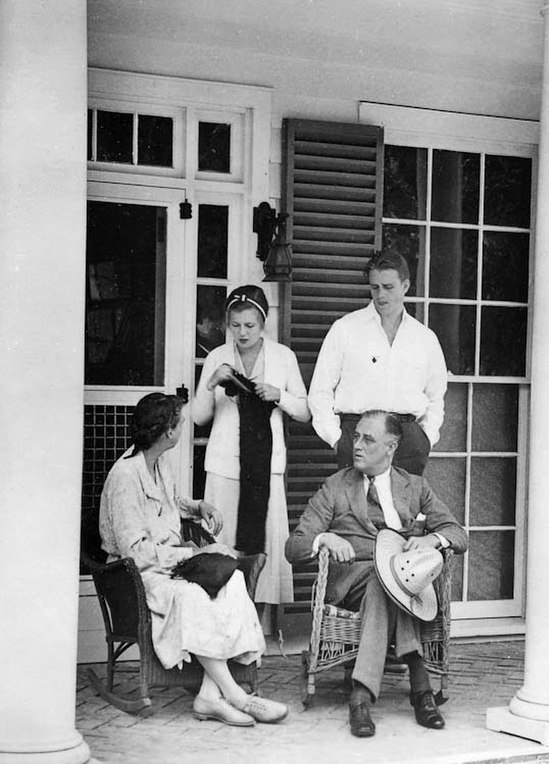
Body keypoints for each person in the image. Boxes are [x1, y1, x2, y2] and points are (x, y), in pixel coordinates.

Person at [99, 392, 288, 727]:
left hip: (172, 565)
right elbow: (136, 553)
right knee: (194, 594)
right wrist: (195, 553)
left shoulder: (159, 462)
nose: (183, 426)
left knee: (232, 582)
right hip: (140, 577)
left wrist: (198, 507)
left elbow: (170, 502)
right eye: (179, 422)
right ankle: (237, 696)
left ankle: (208, 696)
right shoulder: (125, 477)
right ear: (167, 431)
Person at [285, 410, 467, 738]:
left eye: (368, 439)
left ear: (391, 447)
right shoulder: (335, 487)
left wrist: (430, 538)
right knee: (381, 582)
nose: (357, 445)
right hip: (352, 580)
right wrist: (324, 538)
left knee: (386, 584)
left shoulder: (415, 487)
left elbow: (459, 534)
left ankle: (361, 696)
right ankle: (421, 687)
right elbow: (294, 546)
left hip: (401, 580)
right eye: (355, 436)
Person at [193, 284, 311, 612]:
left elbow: (304, 411)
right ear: (226, 324)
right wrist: (212, 381)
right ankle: (219, 631)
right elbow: (200, 417)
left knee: (260, 554)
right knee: (222, 550)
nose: (242, 333)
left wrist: (280, 395)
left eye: (250, 326)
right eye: (235, 325)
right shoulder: (217, 357)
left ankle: (251, 638)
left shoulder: (283, 358)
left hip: (264, 468)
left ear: (263, 324)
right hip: (225, 469)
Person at [308, 249, 448, 476]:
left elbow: (436, 396)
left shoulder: (424, 338)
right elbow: (320, 391)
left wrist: (426, 438)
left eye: (389, 287)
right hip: (359, 436)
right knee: (357, 510)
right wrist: (337, 440)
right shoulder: (346, 329)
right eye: (375, 287)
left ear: (405, 286)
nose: (381, 295)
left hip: (408, 441)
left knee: (403, 510)